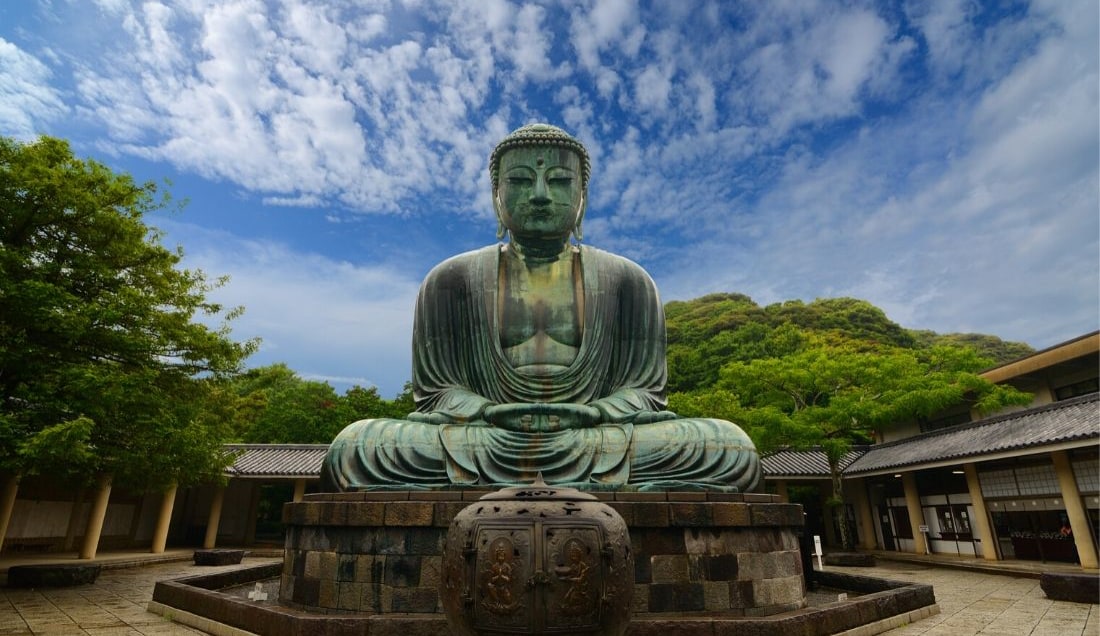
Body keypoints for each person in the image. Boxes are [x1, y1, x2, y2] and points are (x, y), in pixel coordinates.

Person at [322, 123, 761, 492]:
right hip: (484, 438)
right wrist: (486, 411)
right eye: (518, 181)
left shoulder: (629, 280)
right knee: (356, 447)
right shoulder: (450, 280)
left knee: (728, 447)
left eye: (558, 181)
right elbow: (435, 392)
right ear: (496, 195)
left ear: (582, 196)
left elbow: (646, 393)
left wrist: (596, 413)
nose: (538, 194)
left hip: (597, 437)